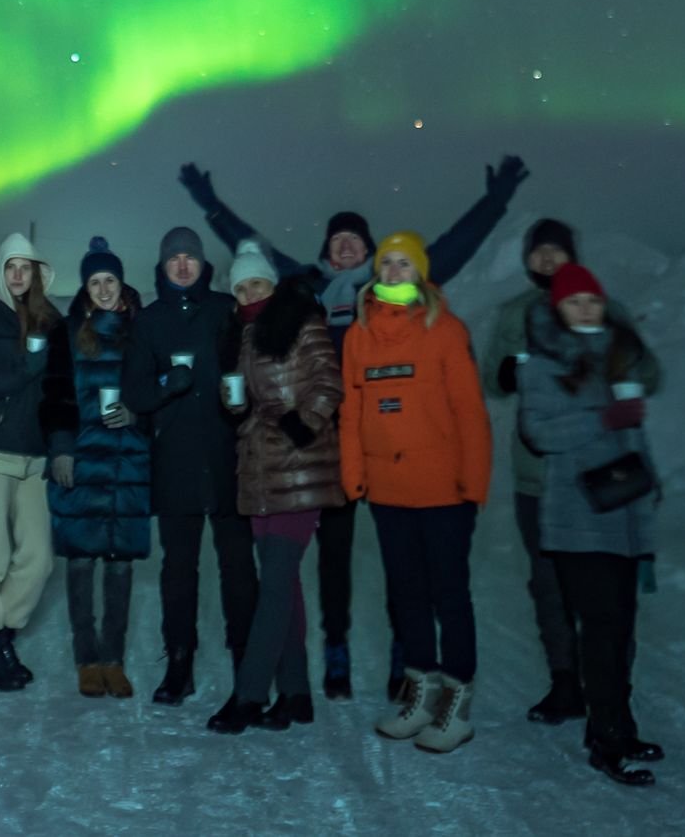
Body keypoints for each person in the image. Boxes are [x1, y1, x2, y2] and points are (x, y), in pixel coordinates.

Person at [177, 152, 529, 699]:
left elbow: (457, 245)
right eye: (337, 239)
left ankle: (402, 656)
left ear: (373, 250)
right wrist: (209, 206)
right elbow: (255, 248)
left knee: (403, 558)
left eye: (356, 240)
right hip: (330, 442)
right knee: (334, 557)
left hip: (390, 442)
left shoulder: (394, 288)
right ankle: (335, 648)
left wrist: (496, 199)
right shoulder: (308, 285)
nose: (346, 246)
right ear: (325, 250)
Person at [339, 231, 491, 753]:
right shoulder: (359, 335)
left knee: (448, 594)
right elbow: (353, 412)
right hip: (387, 489)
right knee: (405, 595)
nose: (393, 272)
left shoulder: (445, 331)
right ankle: (420, 695)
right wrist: (353, 474)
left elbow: (471, 413)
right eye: (387, 264)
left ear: (421, 273)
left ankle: (457, 705)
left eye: (404, 264)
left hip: (443, 489)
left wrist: (473, 483)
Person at [521, 262, 666, 786]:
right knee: (601, 627)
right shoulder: (541, 366)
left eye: (593, 301)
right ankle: (604, 734)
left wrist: (651, 481)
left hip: (624, 511)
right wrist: (603, 418)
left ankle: (620, 724)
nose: (585, 309)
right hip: (577, 516)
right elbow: (540, 433)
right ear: (556, 308)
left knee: (622, 627)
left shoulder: (620, 356)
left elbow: (634, 434)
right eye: (574, 301)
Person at [485, 217, 630, 726]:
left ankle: (608, 691)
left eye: (556, 251)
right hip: (537, 474)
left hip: (595, 475)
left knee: (603, 586)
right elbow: (493, 382)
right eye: (538, 252)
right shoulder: (513, 313)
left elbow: (637, 374)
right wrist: (505, 371)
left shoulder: (604, 308)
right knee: (548, 583)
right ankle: (564, 681)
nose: (547, 260)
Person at [208, 253, 343, 734]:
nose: (250, 296)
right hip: (260, 470)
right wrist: (234, 407)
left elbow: (329, 383)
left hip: (300, 469)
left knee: (274, 584)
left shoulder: (302, 323)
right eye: (242, 289)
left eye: (257, 285)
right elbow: (245, 402)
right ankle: (295, 694)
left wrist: (299, 426)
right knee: (283, 585)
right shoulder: (241, 336)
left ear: (273, 285)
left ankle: (248, 695)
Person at [120, 225, 255, 706]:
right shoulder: (150, 322)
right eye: (173, 258)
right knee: (178, 570)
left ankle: (248, 663)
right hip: (175, 462)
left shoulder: (225, 312)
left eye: (190, 258)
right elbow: (134, 394)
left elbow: (258, 363)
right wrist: (167, 386)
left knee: (238, 568)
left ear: (203, 265)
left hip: (227, 460)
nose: (182, 265)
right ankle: (179, 664)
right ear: (162, 267)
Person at [0, 232, 77, 689]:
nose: (19, 275)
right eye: (11, 267)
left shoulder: (52, 320)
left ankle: (0, 633)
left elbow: (62, 389)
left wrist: (61, 442)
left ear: (38, 272)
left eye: (27, 268)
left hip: (34, 454)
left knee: (39, 558)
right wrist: (24, 369)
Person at [49, 237, 152, 698]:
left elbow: (156, 390)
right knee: (81, 562)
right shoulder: (70, 332)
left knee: (120, 566)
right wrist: (61, 448)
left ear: (121, 282)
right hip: (84, 458)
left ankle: (115, 659)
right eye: (96, 281)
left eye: (110, 279)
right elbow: (54, 395)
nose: (105, 289)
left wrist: (138, 413)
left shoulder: (141, 331)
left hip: (128, 460)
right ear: (86, 288)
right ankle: (86, 659)